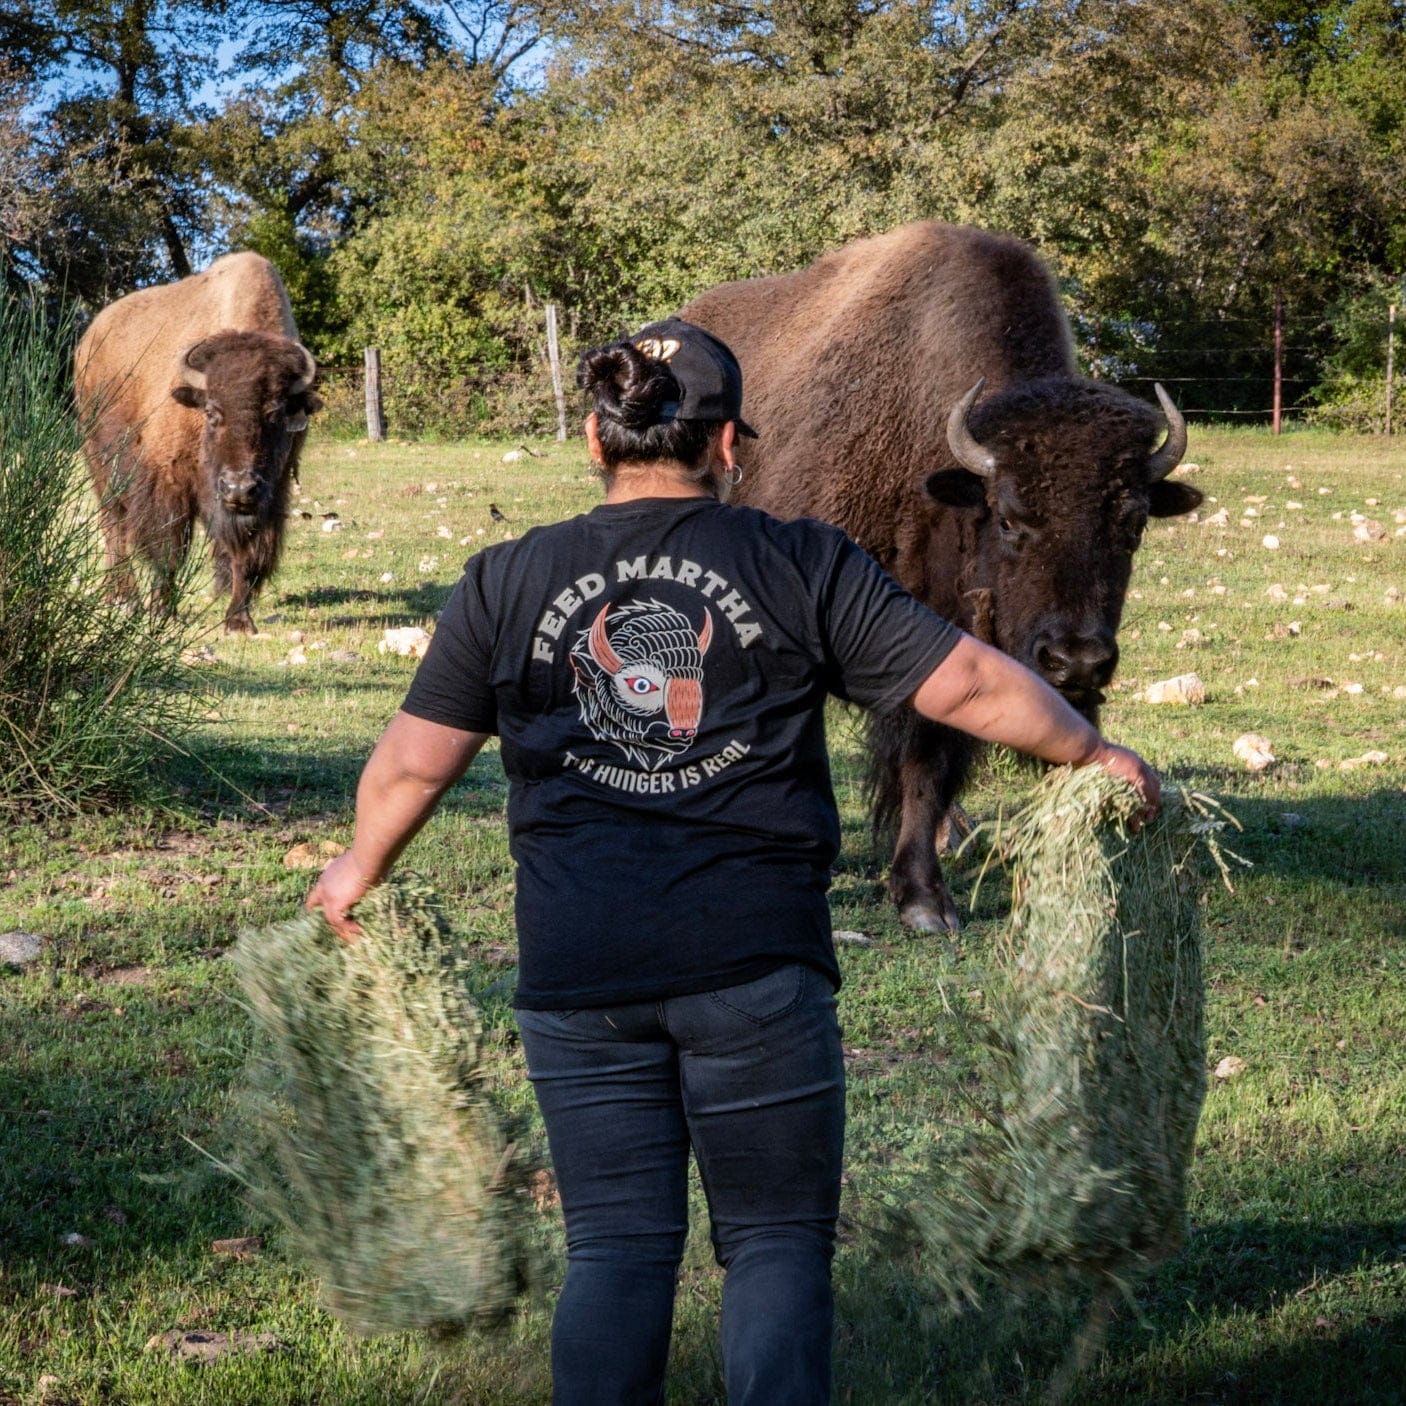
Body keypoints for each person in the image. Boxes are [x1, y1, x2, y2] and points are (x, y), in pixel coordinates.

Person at [307, 318, 1159, 1406]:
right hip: (754, 968)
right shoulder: (798, 559)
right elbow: (972, 688)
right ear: (728, 446)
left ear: (593, 437)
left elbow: (410, 767)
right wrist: (1092, 748)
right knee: (772, 1241)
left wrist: (354, 868)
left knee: (615, 1245)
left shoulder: (505, 579)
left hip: (578, 973)